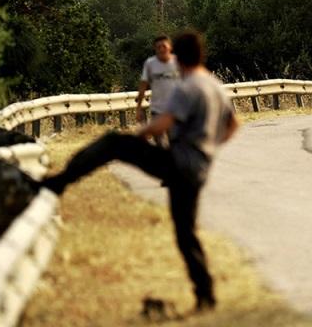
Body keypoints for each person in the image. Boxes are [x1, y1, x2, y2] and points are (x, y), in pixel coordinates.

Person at [41, 31, 238, 312]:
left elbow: (161, 125)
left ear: (178, 58)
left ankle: (58, 183)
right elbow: (234, 125)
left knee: (113, 143)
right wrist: (209, 148)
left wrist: (138, 136)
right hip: (198, 168)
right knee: (185, 233)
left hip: (179, 163)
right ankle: (206, 296)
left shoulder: (188, 87)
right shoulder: (215, 85)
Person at [136, 35, 180, 139]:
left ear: (170, 47)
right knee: (159, 143)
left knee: (175, 142)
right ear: (155, 49)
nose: (161, 49)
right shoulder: (150, 64)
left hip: (174, 110)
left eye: (163, 46)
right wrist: (138, 109)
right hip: (157, 110)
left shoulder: (178, 62)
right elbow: (143, 85)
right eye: (158, 47)